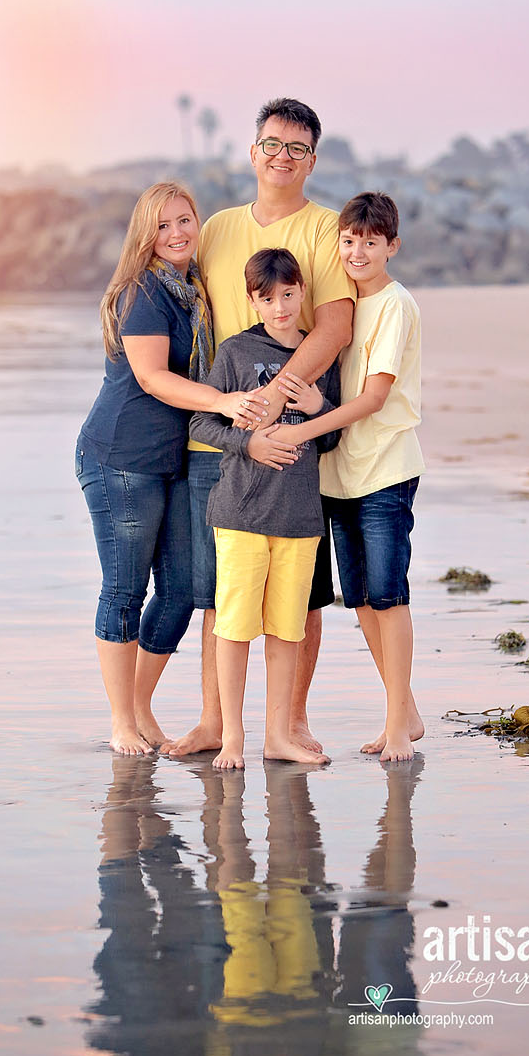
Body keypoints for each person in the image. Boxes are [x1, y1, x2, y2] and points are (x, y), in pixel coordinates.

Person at [165, 97, 356, 760]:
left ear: (311, 160)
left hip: (296, 444)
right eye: (271, 143)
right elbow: (182, 303)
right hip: (221, 440)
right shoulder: (216, 228)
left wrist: (276, 404)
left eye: (296, 148)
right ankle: (217, 723)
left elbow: (334, 326)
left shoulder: (325, 229)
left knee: (297, 595)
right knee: (224, 592)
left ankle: (288, 725)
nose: (281, 155)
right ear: (252, 152)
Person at [76, 181, 247, 755]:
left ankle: (140, 706)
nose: (176, 233)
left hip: (173, 459)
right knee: (125, 589)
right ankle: (122, 722)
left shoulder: (191, 290)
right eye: (163, 224)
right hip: (120, 457)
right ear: (144, 234)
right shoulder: (143, 291)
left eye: (185, 220)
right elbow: (150, 377)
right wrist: (223, 403)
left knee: (179, 592)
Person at [283, 191, 426, 762]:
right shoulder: (338, 306)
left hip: (386, 467)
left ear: (391, 246)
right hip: (338, 475)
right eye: (348, 240)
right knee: (362, 599)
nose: (357, 251)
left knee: (390, 597)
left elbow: (373, 397)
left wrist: (303, 425)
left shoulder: (395, 305)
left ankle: (396, 729)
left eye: (370, 241)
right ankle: (405, 710)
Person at [188, 249, 343, 770]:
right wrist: (247, 444)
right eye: (268, 298)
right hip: (241, 515)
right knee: (233, 629)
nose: (280, 308)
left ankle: (278, 735)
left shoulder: (320, 358)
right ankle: (233, 736)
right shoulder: (235, 353)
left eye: (289, 296)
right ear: (252, 300)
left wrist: (321, 408)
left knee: (286, 631)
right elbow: (199, 424)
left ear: (303, 293)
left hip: (300, 519)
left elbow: (334, 436)